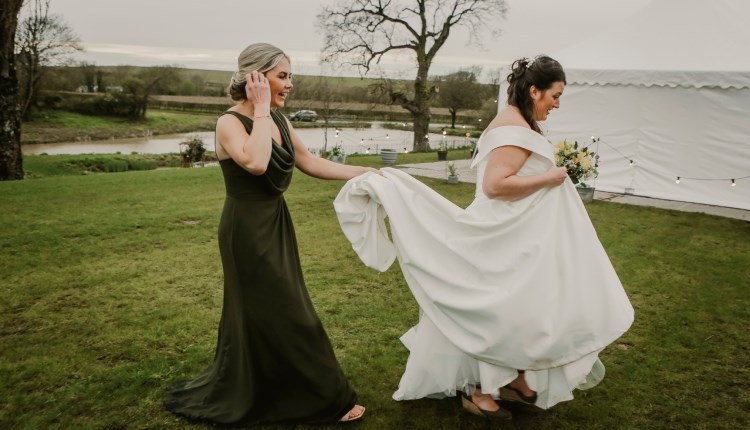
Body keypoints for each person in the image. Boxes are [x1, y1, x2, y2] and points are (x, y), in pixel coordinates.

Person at [333, 55, 634, 421]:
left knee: (524, 307)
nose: (557, 104)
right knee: (500, 311)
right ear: (534, 90)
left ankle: (514, 378)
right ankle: (478, 389)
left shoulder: (518, 120)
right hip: (503, 236)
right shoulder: (514, 129)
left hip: (517, 233)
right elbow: (495, 186)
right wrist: (551, 177)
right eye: (555, 96)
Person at [164, 43, 376, 425]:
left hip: (275, 223)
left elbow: (309, 161)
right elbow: (257, 163)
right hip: (246, 231)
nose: (290, 84)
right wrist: (261, 108)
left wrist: (365, 172)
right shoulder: (230, 122)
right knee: (292, 314)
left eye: (290, 75)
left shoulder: (278, 120)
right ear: (256, 78)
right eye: (282, 76)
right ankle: (331, 399)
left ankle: (274, 390)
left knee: (272, 314)